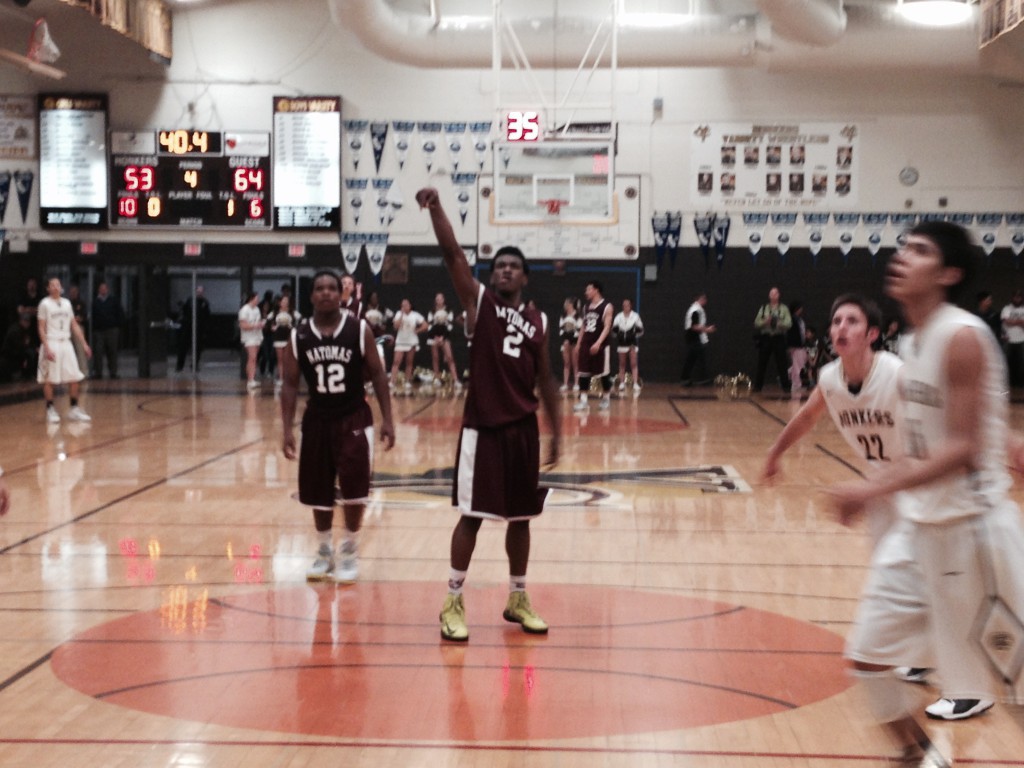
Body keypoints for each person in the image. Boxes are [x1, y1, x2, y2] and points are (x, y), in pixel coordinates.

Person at [828, 222, 1024, 763]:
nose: (902, 257)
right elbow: (929, 440)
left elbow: (958, 450)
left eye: (920, 251)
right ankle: (921, 759)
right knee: (866, 660)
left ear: (949, 273)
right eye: (902, 248)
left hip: (973, 534)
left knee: (1016, 693)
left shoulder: (961, 335)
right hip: (919, 533)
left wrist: (870, 489)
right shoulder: (911, 341)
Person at [416, 186, 561, 642]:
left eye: (513, 266)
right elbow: (452, 253)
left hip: (523, 430)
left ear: (525, 278)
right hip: (483, 429)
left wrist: (557, 432)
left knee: (521, 518)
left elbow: (547, 379)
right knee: (472, 516)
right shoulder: (480, 305)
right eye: (499, 265)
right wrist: (437, 208)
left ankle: (517, 597)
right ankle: (453, 600)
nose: (504, 270)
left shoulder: (539, 321)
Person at [279, 270, 395, 583]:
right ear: (312, 295)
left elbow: (379, 375)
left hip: (354, 416)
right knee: (318, 491)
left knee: (355, 489)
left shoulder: (358, 329)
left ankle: (349, 548)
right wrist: (287, 429)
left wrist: (388, 419)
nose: (327, 293)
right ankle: (323, 550)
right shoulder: (298, 335)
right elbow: (289, 384)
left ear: (340, 294)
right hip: (317, 419)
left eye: (332, 287)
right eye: (320, 288)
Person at [37, 277, 92, 424]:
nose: (55, 287)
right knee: (50, 379)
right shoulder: (44, 304)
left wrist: (84, 344)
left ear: (61, 287)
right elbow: (41, 328)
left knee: (74, 377)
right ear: (48, 288)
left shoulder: (67, 303)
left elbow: (74, 325)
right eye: (52, 285)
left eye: (57, 284)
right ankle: (50, 409)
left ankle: (74, 409)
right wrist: (46, 347)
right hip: (52, 342)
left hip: (66, 343)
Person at [574, 280, 614, 412]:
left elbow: (607, 327)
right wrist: (579, 344)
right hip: (586, 343)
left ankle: (606, 398)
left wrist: (598, 343)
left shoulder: (607, 306)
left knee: (603, 373)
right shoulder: (586, 307)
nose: (586, 292)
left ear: (596, 290)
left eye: (588, 289)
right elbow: (583, 327)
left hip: (601, 345)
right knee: (583, 372)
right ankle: (584, 401)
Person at [753, 287, 792, 393]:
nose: (773, 295)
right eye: (771, 293)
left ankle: (786, 387)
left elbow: (789, 324)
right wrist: (766, 321)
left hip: (778, 337)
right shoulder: (764, 308)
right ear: (769, 296)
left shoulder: (784, 308)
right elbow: (756, 323)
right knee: (762, 363)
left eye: (775, 293)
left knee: (782, 363)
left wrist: (779, 323)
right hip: (766, 337)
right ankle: (757, 387)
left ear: (779, 295)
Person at [390, 298, 427, 394]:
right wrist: (402, 315)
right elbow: (396, 326)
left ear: (410, 306)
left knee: (409, 362)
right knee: (396, 362)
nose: (404, 306)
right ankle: (392, 381)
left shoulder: (415, 315)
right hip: (400, 341)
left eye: (406, 305)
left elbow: (425, 325)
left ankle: (407, 381)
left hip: (411, 341)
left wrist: (418, 330)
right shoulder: (398, 314)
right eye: (402, 305)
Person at [91, 281, 125, 379]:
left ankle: (113, 372)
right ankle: (98, 372)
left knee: (112, 351)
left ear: (107, 289)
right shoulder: (95, 302)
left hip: (112, 330)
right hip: (99, 331)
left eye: (104, 288)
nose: (103, 290)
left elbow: (120, 314)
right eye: (101, 288)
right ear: (99, 290)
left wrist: (117, 326)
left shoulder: (113, 300)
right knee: (98, 351)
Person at [427, 292, 462, 389]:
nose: (438, 300)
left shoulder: (449, 310)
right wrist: (435, 337)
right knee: (435, 358)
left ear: (443, 299)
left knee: (450, 357)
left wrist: (443, 337)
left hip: (444, 336)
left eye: (440, 299)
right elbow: (430, 325)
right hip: (434, 337)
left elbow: (449, 325)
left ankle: (455, 380)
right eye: (437, 299)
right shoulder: (432, 311)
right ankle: (437, 379)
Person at [681, 293, 715, 386]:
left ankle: (686, 378)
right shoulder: (695, 311)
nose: (705, 302)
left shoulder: (696, 310)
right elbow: (694, 326)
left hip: (694, 337)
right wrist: (707, 329)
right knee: (694, 358)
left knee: (692, 358)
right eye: (704, 299)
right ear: (701, 299)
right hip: (694, 337)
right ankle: (688, 378)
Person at [612, 298, 644, 394]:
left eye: (627, 305)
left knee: (633, 363)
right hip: (622, 344)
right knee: (622, 364)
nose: (625, 306)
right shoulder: (618, 316)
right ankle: (622, 383)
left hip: (632, 344)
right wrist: (618, 333)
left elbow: (641, 330)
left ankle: (635, 383)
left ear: (630, 306)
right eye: (624, 305)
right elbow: (613, 331)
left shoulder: (635, 316)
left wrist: (634, 334)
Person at [176, 285, 211, 373]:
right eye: (198, 291)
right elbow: (185, 311)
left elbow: (207, 316)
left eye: (201, 291)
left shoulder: (204, 303)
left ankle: (194, 364)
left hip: (199, 327)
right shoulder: (190, 300)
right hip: (188, 326)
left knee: (197, 347)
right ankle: (180, 365)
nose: (199, 293)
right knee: (183, 346)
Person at [272, 294, 300, 391]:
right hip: (278, 338)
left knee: (288, 359)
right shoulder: (275, 313)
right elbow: (268, 322)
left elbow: (301, 320)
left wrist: (294, 328)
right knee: (280, 359)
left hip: (288, 338)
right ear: (280, 302)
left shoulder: (293, 312)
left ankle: (290, 378)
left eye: (286, 301)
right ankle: (281, 378)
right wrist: (272, 327)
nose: (285, 303)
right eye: (283, 301)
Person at [238, 291, 264, 390]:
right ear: (251, 299)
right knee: (251, 357)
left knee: (254, 358)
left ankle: (252, 378)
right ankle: (250, 380)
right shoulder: (244, 310)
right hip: (248, 337)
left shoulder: (257, 309)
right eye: (256, 299)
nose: (257, 301)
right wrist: (254, 325)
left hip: (257, 335)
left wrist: (260, 324)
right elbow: (243, 325)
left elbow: (258, 321)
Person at [0, 312, 36, 382]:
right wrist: (24, 358)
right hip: (9, 358)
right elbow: (18, 348)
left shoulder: (25, 330)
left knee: (31, 352)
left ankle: (26, 376)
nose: (27, 323)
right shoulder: (15, 330)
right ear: (21, 321)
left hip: (17, 356)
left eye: (28, 321)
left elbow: (27, 344)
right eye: (25, 321)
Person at [1001, 289, 1024, 388]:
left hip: (1022, 339)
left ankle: (1020, 383)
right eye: (1015, 297)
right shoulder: (1007, 308)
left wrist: (1013, 321)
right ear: (1012, 297)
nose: (1017, 299)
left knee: (1021, 362)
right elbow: (1006, 321)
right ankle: (1004, 383)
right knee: (1005, 361)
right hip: (1008, 338)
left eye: (1019, 297)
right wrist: (1020, 321)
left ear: (1021, 298)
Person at [558, 297, 580, 393]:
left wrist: (572, 339)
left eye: (568, 304)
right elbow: (561, 330)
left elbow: (579, 330)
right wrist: (565, 340)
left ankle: (576, 383)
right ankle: (565, 384)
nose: (566, 306)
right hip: (566, 343)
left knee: (575, 363)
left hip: (574, 342)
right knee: (566, 363)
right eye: (565, 304)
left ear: (571, 305)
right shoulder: (563, 316)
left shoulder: (578, 315)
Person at [67, 284, 89, 377]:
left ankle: (83, 372)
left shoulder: (81, 303)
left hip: (78, 327)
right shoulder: (66, 303)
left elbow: (82, 317)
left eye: (75, 291)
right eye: (71, 292)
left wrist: (74, 319)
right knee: (68, 351)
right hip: (67, 328)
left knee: (80, 350)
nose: (73, 293)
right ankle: (69, 372)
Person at [787, 300, 809, 393]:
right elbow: (791, 334)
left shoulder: (799, 319)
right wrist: (791, 345)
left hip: (800, 344)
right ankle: (796, 384)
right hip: (795, 345)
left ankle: (790, 376)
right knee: (797, 365)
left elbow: (801, 332)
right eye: (800, 307)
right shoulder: (792, 319)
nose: (801, 309)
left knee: (799, 364)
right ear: (797, 309)